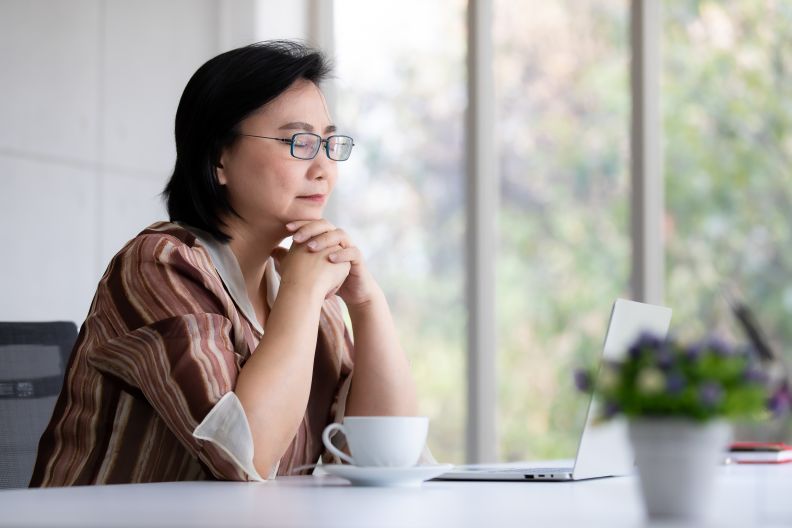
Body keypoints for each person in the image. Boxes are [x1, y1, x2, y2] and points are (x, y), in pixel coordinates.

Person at [30, 40, 426, 485]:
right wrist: (302, 292)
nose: (323, 168)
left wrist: (368, 304)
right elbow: (243, 456)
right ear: (220, 157)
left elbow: (384, 458)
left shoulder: (302, 284)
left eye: (329, 143)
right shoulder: (160, 264)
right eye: (298, 141)